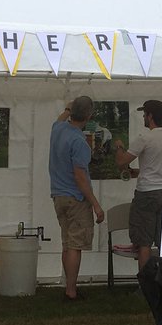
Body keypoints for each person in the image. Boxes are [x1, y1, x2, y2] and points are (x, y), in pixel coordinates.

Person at [49, 96, 105, 301]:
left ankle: (68, 287)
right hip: (75, 198)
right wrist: (96, 205)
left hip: (58, 195)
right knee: (75, 245)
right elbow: (81, 178)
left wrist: (67, 107)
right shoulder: (79, 141)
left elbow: (59, 118)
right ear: (89, 116)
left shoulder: (58, 129)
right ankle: (71, 291)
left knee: (67, 243)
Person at [114, 99, 162, 271]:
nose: (143, 117)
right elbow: (157, 168)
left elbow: (121, 162)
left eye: (144, 114)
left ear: (150, 116)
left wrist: (119, 147)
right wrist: (137, 172)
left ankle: (145, 285)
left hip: (147, 195)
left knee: (143, 242)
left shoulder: (145, 137)